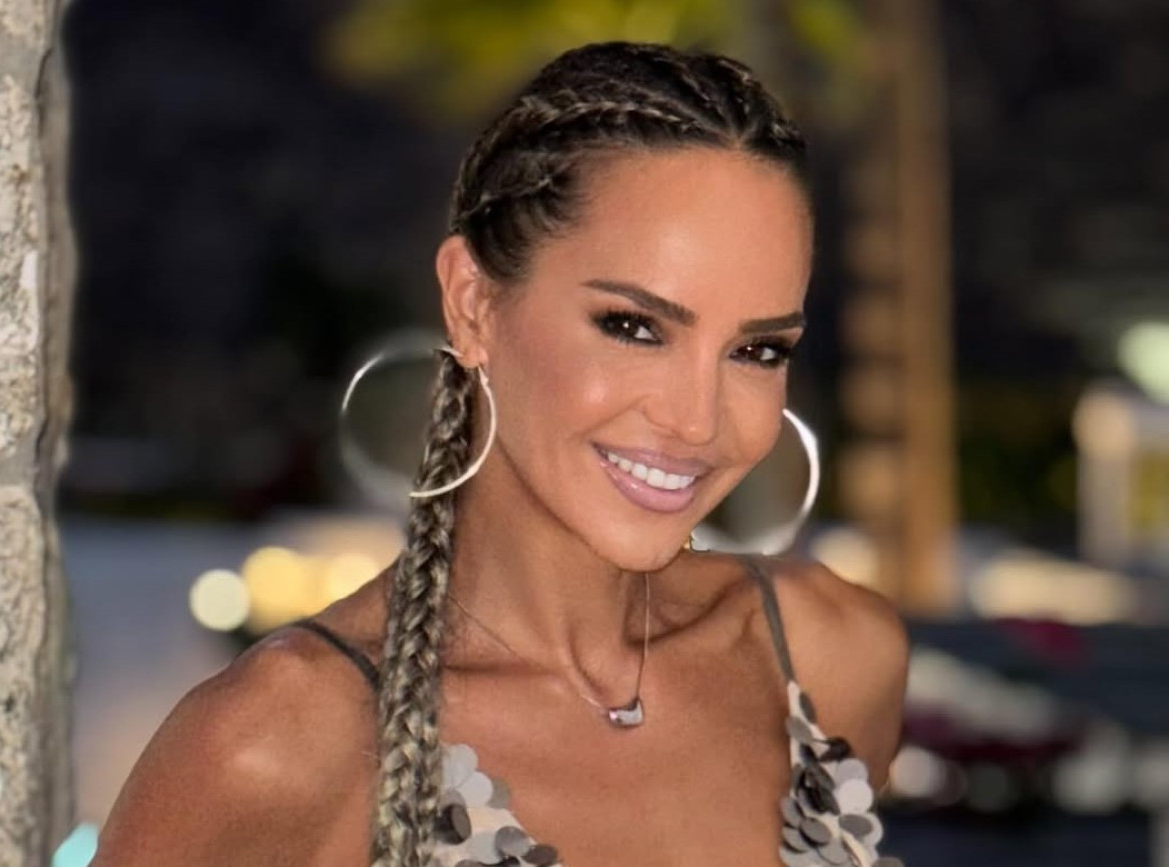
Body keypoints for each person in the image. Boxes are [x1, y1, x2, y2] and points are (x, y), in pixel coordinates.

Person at [92, 41, 908, 867]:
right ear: (473, 304)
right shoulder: (280, 742)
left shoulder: (830, 658)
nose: (697, 420)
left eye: (758, 350)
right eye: (633, 327)